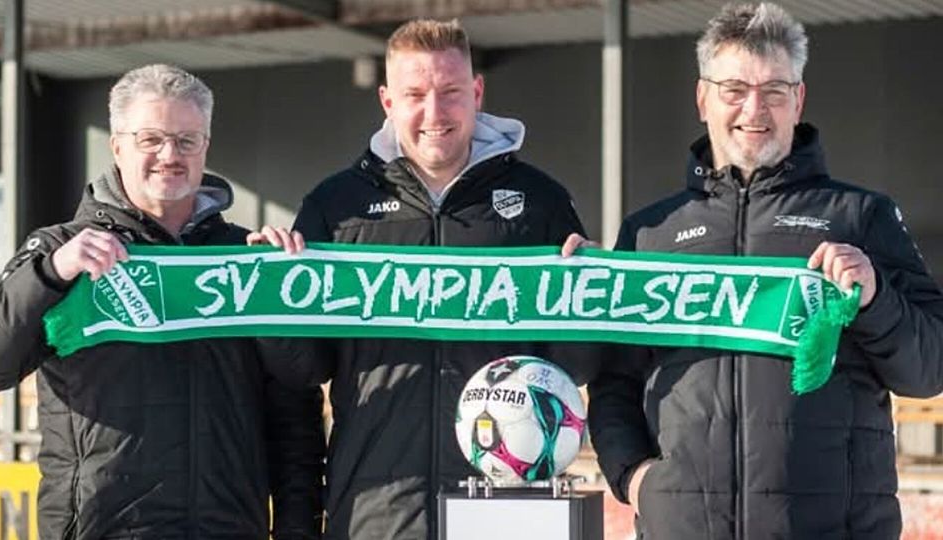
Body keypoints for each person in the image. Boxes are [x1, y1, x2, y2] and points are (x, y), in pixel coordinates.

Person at [586, 3, 943, 538]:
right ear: (703, 97)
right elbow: (614, 384)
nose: (755, 109)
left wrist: (875, 299)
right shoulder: (649, 233)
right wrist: (636, 480)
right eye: (734, 90)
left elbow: (929, 368)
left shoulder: (860, 217)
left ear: (798, 100)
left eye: (775, 90)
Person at [255, 18, 598, 539]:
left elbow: (573, 365)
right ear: (388, 101)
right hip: (376, 509)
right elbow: (304, 369)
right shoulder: (337, 207)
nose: (434, 114)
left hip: (507, 508)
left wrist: (590, 298)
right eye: (415, 94)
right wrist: (271, 299)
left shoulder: (541, 202)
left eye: (451, 92)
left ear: (477, 92)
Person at [0, 65, 324, 539]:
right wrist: (50, 275)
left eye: (187, 140)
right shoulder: (61, 252)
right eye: (151, 139)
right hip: (102, 529)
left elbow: (297, 410)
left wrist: (297, 528)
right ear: (117, 145)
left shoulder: (245, 260)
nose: (170, 155)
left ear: (206, 146)